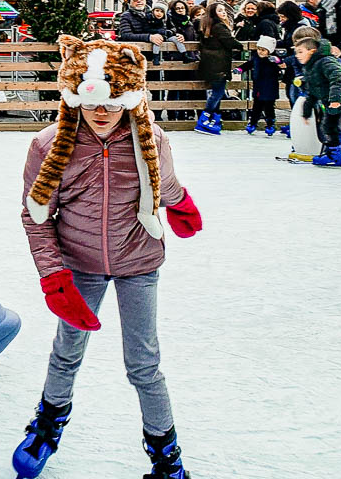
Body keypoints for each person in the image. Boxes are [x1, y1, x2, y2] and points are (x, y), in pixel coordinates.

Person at [14, 35, 203, 479]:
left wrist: (181, 203)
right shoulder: (48, 144)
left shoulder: (150, 138)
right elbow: (35, 214)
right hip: (79, 264)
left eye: (113, 101)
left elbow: (163, 185)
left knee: (144, 362)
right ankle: (48, 424)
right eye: (93, 100)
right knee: (67, 350)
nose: (101, 111)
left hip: (137, 260)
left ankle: (165, 453)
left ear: (129, 96)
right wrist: (53, 275)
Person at [295, 37, 341, 166]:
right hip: (331, 102)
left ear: (312, 51)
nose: (297, 56)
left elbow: (339, 79)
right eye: (296, 53)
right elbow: (311, 92)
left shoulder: (326, 62)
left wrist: (336, 99)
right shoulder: (310, 68)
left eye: (300, 52)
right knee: (328, 127)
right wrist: (306, 113)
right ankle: (334, 155)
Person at [195, 1, 243, 135]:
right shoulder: (219, 26)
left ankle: (214, 120)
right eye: (220, 10)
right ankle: (205, 119)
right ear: (214, 14)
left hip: (211, 63)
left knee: (217, 92)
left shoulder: (208, 26)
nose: (224, 13)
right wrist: (240, 46)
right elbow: (230, 42)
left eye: (224, 10)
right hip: (218, 64)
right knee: (217, 93)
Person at [234, 36, 286, 135]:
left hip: (270, 87)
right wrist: (240, 69)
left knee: (269, 107)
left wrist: (278, 61)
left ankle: (270, 124)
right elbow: (248, 64)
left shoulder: (273, 60)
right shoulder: (256, 58)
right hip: (258, 87)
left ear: (269, 51)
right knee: (256, 107)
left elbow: (282, 66)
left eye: (263, 50)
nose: (260, 52)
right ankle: (253, 123)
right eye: (259, 49)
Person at [165, 0, 198, 121]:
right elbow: (166, 34)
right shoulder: (169, 22)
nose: (180, 10)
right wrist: (175, 35)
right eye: (177, 8)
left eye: (182, 8)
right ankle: (172, 114)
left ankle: (185, 113)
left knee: (186, 88)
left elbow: (194, 38)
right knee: (173, 88)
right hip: (174, 59)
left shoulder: (189, 23)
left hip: (189, 58)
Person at [278, 1, 313, 106]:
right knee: (291, 95)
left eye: (283, 17)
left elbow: (301, 51)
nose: (281, 19)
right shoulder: (289, 28)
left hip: (298, 68)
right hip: (293, 67)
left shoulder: (300, 29)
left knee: (296, 96)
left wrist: (287, 61)